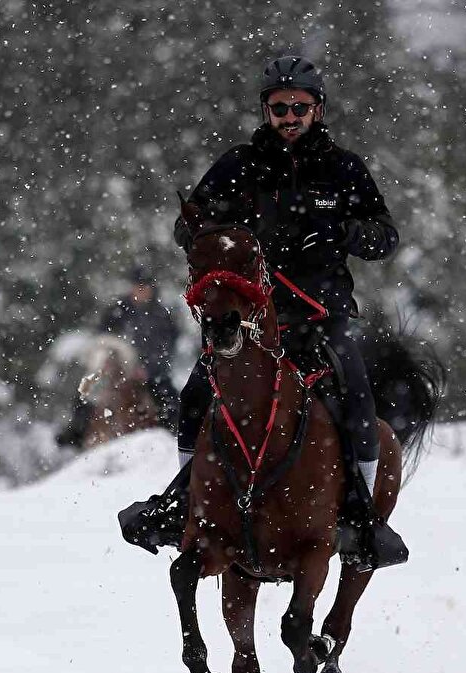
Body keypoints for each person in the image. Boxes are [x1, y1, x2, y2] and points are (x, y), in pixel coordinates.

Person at [131, 55, 405, 567]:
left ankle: (364, 522)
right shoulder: (238, 165)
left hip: (323, 317)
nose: (290, 116)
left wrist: (344, 232)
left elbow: (385, 236)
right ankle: (182, 506)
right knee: (195, 397)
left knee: (358, 401)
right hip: (253, 323)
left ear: (318, 109)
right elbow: (187, 226)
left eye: (300, 106)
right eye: (279, 107)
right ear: (266, 111)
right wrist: (213, 238)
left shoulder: (344, 168)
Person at [56, 265, 180, 447]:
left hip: (151, 370)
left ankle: (171, 431)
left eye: (144, 287)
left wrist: (147, 367)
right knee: (87, 388)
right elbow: (104, 336)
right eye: (137, 286)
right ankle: (77, 430)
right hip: (120, 364)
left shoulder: (161, 315)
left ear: (151, 289)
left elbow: (165, 348)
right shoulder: (119, 310)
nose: (140, 291)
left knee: (167, 395)